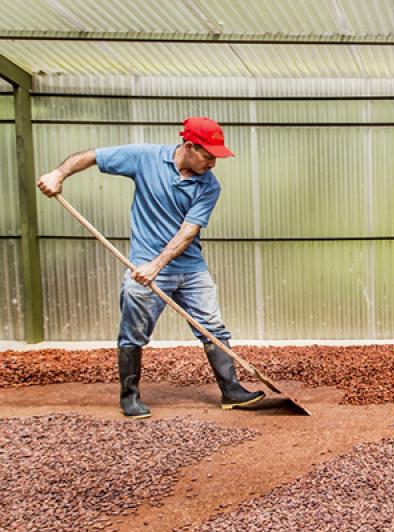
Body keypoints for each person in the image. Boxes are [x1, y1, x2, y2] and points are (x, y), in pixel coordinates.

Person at [36, 117, 264, 419]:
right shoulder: (145, 158)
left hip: (189, 269)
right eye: (208, 156)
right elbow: (93, 156)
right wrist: (58, 173)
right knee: (133, 332)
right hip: (141, 267)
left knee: (213, 327)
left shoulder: (209, 185)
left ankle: (232, 391)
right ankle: (129, 396)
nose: (213, 163)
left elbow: (188, 231)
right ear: (188, 146)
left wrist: (158, 265)